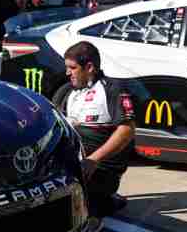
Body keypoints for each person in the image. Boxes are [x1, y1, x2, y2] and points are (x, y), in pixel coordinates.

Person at [50, 41, 136, 218]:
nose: (67, 73)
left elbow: (127, 130)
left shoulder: (112, 89)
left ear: (89, 67)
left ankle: (104, 200)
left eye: (72, 68)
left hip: (98, 169)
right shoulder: (65, 91)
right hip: (67, 163)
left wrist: (93, 160)